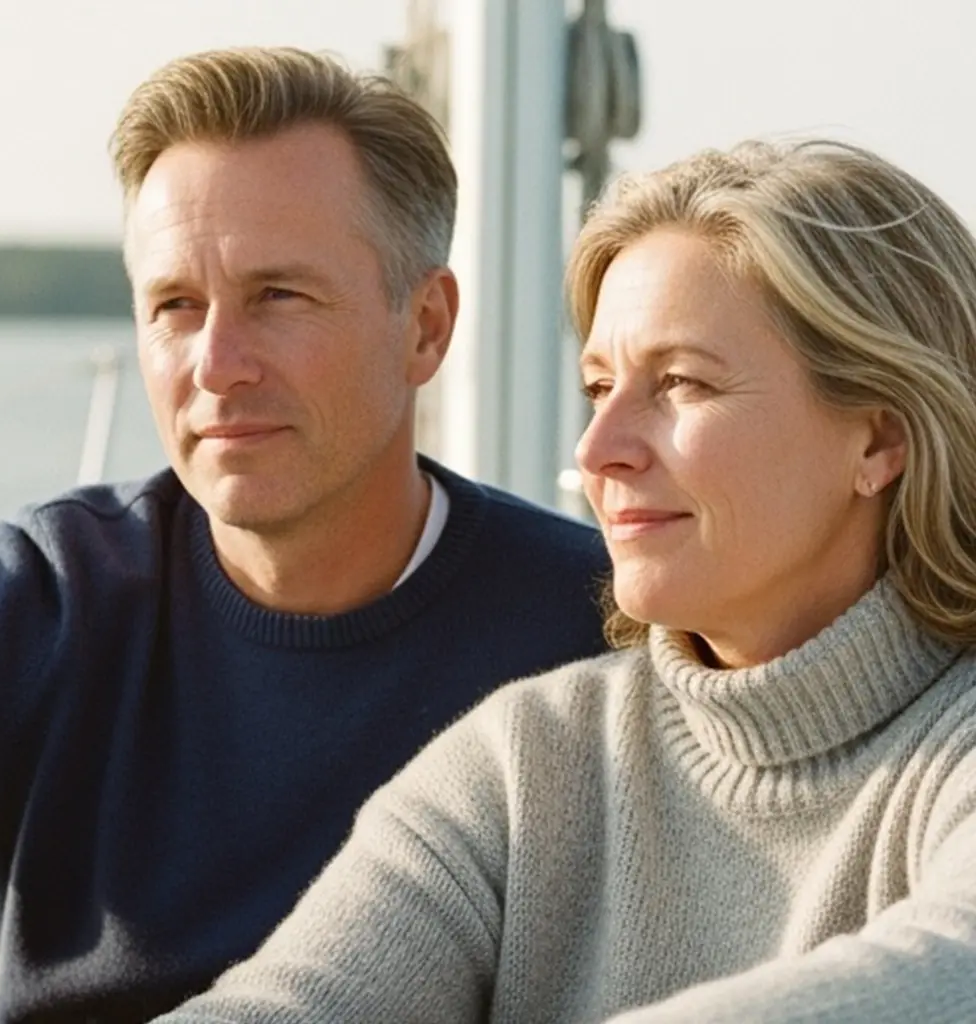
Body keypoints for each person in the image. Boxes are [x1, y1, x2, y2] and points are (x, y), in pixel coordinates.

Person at [158, 138, 976, 1024]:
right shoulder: (529, 759)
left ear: (880, 440)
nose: (597, 451)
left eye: (681, 384)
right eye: (597, 387)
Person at [0, 47, 611, 1022]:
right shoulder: (36, 600)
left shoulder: (593, 631)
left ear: (425, 326)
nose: (216, 364)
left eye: (278, 297)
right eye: (176, 306)